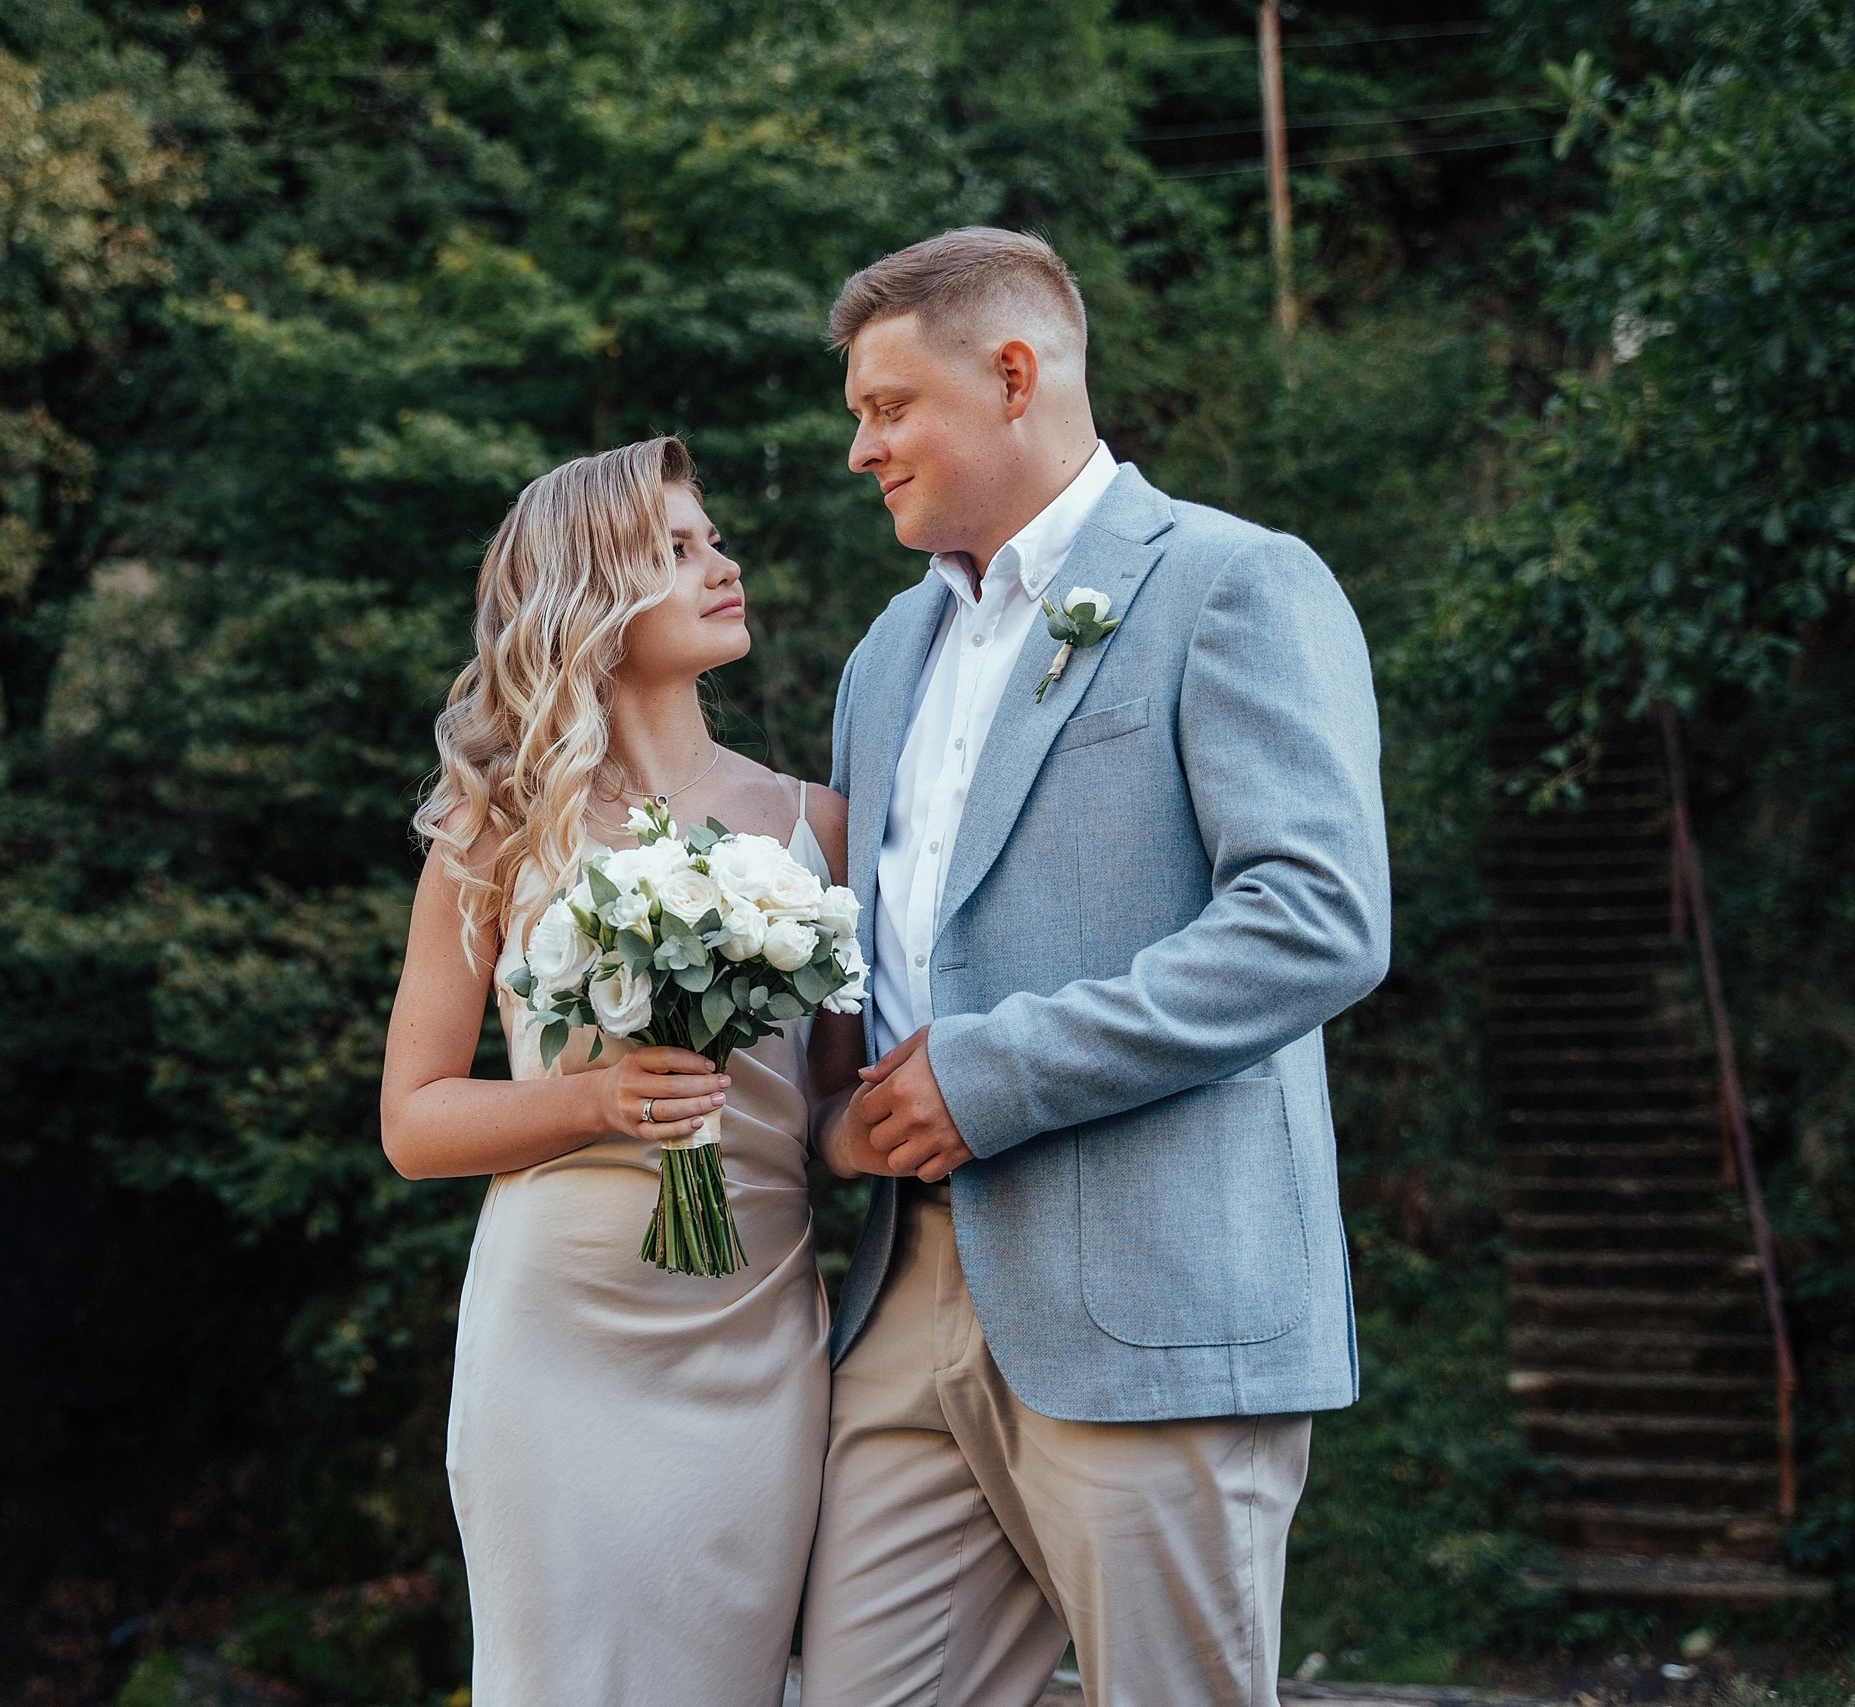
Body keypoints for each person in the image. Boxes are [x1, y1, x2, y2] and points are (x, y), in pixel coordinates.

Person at [800, 228, 1391, 1707]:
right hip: (904, 1289)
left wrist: (991, 1074)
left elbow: (1315, 917)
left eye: (888, 406)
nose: (861, 449)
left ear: (1013, 377)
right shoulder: (885, 652)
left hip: (1152, 1296)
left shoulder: (1233, 582)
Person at [378, 436, 853, 1706]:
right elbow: (415, 1123)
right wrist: (594, 1100)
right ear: (588, 595)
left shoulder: (816, 824)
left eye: (714, 541)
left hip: (753, 1326)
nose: (722, 566)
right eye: (676, 551)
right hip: (557, 1336)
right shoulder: (495, 825)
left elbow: (835, 1105)